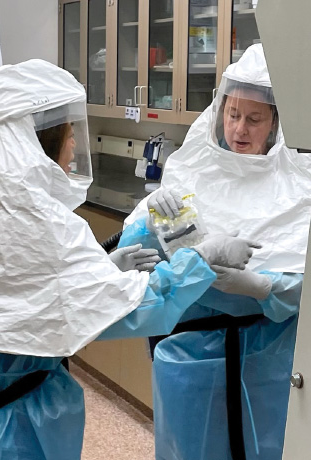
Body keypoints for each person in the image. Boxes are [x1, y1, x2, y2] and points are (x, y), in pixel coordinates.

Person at [0, 59, 257, 460]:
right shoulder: (34, 220)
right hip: (11, 424)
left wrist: (102, 270)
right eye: (69, 135)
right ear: (39, 141)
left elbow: (39, 292)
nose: (74, 148)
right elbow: (131, 315)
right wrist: (202, 258)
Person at [118, 44, 311, 460]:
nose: (240, 129)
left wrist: (261, 287)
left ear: (277, 123)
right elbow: (138, 261)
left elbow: (306, 288)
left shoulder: (299, 186)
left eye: (255, 119)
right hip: (188, 357)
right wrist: (153, 219)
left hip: (264, 363)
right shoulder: (192, 171)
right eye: (233, 114)